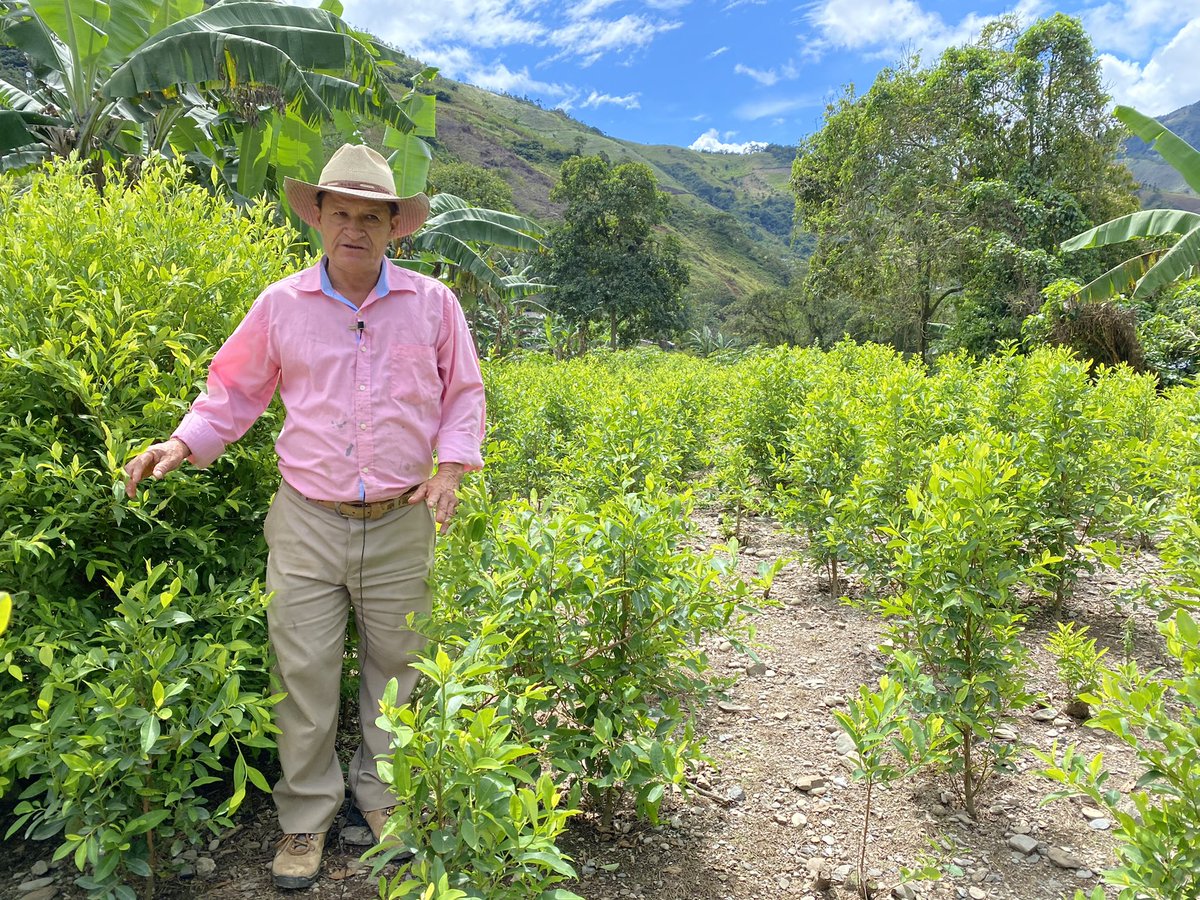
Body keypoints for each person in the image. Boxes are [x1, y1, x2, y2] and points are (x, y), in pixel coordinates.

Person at [123, 144, 486, 889]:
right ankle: (305, 818)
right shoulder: (281, 304)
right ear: (318, 217)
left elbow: (463, 394)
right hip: (306, 520)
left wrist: (450, 468)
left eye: (371, 216)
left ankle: (386, 801)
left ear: (395, 227)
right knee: (305, 676)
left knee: (401, 673)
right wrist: (182, 442)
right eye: (341, 212)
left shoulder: (433, 305)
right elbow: (232, 391)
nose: (355, 226)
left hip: (401, 518)